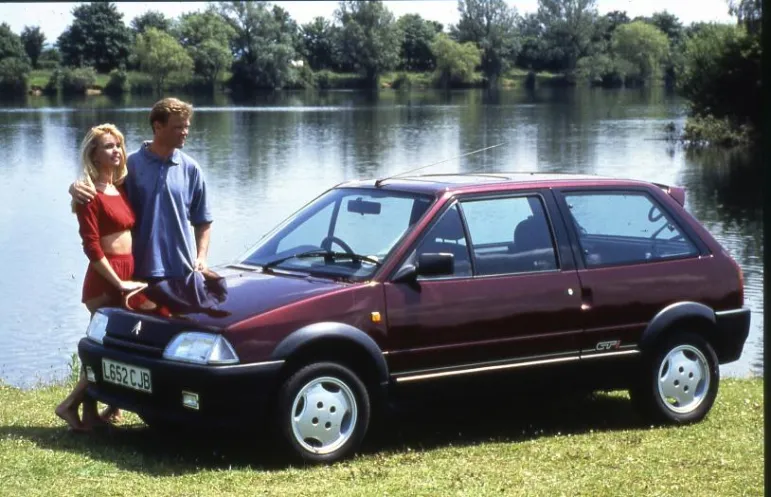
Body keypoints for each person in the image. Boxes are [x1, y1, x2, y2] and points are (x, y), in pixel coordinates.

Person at [55, 124, 149, 432]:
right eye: (108, 146)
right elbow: (92, 246)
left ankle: (103, 410)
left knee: (117, 345)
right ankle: (70, 406)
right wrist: (118, 283)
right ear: (93, 153)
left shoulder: (119, 188)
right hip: (104, 280)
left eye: (119, 145)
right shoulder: (88, 194)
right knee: (106, 348)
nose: (116, 151)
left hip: (127, 275)